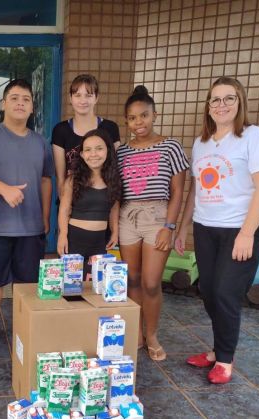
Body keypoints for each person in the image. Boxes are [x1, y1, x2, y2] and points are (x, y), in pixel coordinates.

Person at [175, 77, 259, 384]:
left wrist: (247, 233)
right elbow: (195, 190)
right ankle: (218, 350)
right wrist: (182, 229)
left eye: (228, 98)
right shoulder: (202, 142)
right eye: (215, 100)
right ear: (208, 106)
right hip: (206, 228)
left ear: (240, 101)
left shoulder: (254, 137)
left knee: (225, 293)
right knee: (207, 290)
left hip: (240, 229)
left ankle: (225, 360)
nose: (221, 105)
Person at [0, 79, 54, 350]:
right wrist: (5, 190)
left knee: (27, 282)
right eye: (15, 98)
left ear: (32, 107)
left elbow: (45, 181)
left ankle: (24, 324)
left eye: (26, 99)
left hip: (30, 226)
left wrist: (44, 217)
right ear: (4, 103)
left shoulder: (41, 143)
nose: (20, 103)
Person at [117, 85, 189, 361]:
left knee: (150, 282)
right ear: (127, 121)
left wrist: (169, 227)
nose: (139, 123)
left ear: (154, 115)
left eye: (144, 116)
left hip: (157, 218)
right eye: (133, 118)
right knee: (132, 279)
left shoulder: (170, 146)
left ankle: (153, 334)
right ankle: (136, 333)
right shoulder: (122, 151)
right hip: (128, 217)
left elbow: (179, 191)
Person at [57, 129, 121, 278]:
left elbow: (114, 208)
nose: (93, 154)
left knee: (96, 287)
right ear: (81, 154)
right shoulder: (73, 180)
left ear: (108, 151)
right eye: (88, 150)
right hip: (74, 240)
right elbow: (64, 209)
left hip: (99, 242)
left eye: (99, 148)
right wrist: (63, 235)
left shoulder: (114, 180)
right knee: (72, 288)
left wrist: (115, 231)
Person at [52, 74, 121, 198]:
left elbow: (115, 169)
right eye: (77, 95)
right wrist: (64, 207)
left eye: (88, 95)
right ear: (70, 98)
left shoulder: (110, 128)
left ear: (96, 98)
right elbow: (60, 177)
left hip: (103, 201)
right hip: (72, 201)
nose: (83, 101)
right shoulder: (60, 130)